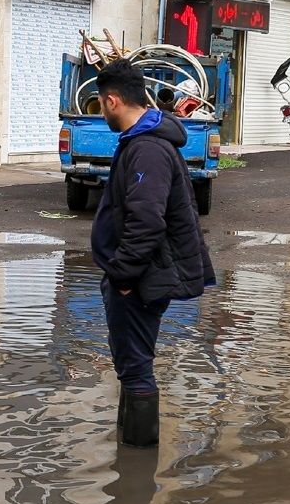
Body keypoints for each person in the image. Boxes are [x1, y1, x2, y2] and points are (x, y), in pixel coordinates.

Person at [91, 59, 215, 447]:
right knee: (131, 363)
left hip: (140, 277)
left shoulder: (147, 149)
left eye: (100, 103)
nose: (101, 110)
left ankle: (135, 467)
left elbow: (147, 221)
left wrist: (123, 276)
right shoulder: (145, 141)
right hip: (138, 274)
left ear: (113, 101)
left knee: (135, 368)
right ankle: (128, 451)